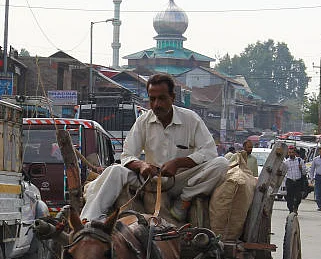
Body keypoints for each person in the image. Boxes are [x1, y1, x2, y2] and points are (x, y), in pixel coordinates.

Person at [80, 73, 228, 223]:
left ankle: (184, 201)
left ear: (173, 97)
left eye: (162, 98)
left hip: (180, 182)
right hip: (150, 179)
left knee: (222, 163)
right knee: (114, 170)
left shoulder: (191, 119)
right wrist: (142, 165)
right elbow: (127, 155)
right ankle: (89, 221)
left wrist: (178, 163)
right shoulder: (143, 121)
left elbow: (209, 152)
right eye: (152, 99)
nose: (157, 104)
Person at [283, 145, 308, 213]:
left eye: (292, 152)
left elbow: (304, 172)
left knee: (298, 197)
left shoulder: (300, 161)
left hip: (298, 181)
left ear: (295, 153)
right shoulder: (286, 162)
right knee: (289, 197)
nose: (291, 154)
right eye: (290, 152)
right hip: (290, 181)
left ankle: (296, 207)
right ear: (288, 153)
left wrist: (301, 168)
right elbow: (284, 173)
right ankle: (291, 210)